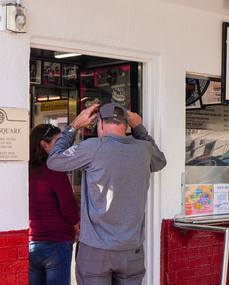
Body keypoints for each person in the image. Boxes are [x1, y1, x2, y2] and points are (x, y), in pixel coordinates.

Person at [48, 103, 167, 285]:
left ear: (101, 124)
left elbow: (54, 160)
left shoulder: (93, 147)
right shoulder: (144, 149)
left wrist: (75, 126)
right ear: (126, 126)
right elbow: (160, 161)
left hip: (96, 250)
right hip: (132, 250)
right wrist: (139, 128)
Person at [29, 123, 80, 285]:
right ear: (44, 145)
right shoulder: (55, 170)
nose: (62, 148)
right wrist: (77, 226)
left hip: (31, 242)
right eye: (58, 143)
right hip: (56, 243)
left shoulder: (26, 171)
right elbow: (68, 206)